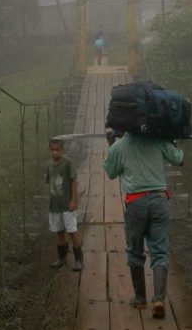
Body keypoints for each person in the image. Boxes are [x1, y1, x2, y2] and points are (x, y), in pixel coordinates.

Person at [102, 128, 184, 318]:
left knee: (135, 249)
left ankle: (140, 298)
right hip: (159, 200)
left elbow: (111, 172)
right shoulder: (157, 139)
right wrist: (170, 140)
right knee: (159, 250)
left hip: (135, 204)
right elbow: (180, 159)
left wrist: (112, 144)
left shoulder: (120, 146)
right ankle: (159, 299)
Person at [44, 137, 83, 271]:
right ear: (49, 150)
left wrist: (74, 200)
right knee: (59, 232)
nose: (55, 152)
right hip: (55, 205)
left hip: (67, 204)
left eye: (57, 150)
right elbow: (49, 183)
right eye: (52, 150)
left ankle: (79, 260)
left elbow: (74, 181)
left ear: (62, 150)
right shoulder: (48, 164)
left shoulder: (67, 163)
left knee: (72, 231)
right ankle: (61, 258)